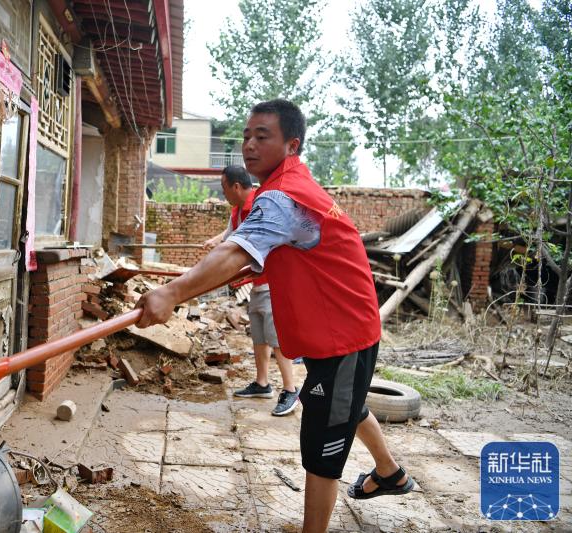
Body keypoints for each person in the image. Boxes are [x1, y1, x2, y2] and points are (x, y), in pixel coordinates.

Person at [137, 99, 414, 532]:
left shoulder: (283, 198)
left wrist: (172, 292)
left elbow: (233, 251)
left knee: (323, 441)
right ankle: (390, 473)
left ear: (291, 144)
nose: (248, 145)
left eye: (262, 136)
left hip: (342, 334)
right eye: (246, 136)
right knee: (348, 405)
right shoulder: (293, 184)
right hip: (348, 325)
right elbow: (263, 256)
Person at [203, 165, 298, 416]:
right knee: (259, 335)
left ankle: (290, 389)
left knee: (276, 337)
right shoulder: (237, 211)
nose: (223, 195)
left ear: (236, 186)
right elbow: (232, 234)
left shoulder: (263, 205)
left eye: (224, 189)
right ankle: (262, 383)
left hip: (274, 283)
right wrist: (217, 241)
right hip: (257, 283)